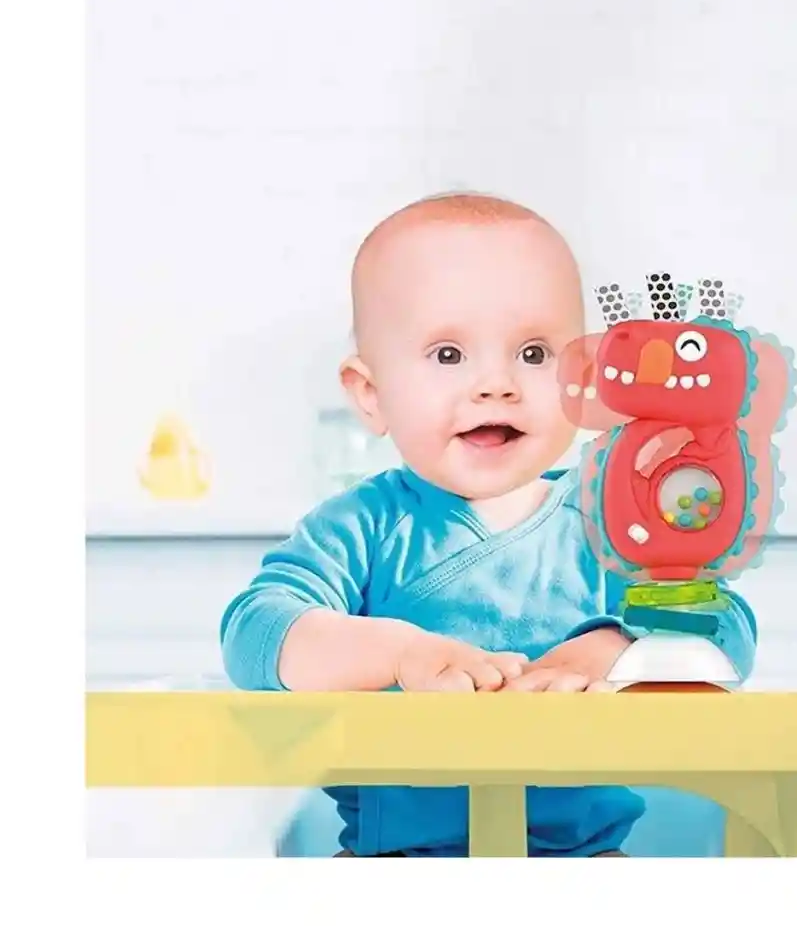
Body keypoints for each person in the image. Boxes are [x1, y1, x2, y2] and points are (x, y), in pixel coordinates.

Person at [219, 191, 755, 856]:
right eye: (449, 355)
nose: (497, 384)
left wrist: (616, 648)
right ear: (371, 394)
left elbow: (725, 627)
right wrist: (400, 653)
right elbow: (254, 632)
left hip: (583, 864)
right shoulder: (361, 528)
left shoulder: (615, 522)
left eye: (533, 353)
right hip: (395, 868)